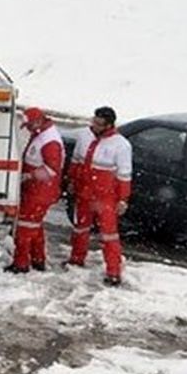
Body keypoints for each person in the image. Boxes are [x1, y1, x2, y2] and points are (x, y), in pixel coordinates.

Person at [66, 106, 133, 286]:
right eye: (93, 121)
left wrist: (122, 199)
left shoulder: (121, 145)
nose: (93, 125)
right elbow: (76, 161)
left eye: (98, 123)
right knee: (80, 227)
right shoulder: (84, 136)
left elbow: (124, 176)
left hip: (106, 198)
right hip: (84, 192)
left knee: (109, 235)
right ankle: (76, 258)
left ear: (109, 125)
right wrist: (72, 181)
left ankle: (113, 271)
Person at [5, 107, 64, 274]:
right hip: (38, 190)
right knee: (35, 227)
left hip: (40, 192)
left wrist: (28, 176)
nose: (28, 129)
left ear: (38, 122)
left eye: (29, 125)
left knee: (24, 227)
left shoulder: (49, 141)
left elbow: (52, 169)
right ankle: (38, 260)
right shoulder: (42, 135)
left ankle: (21, 264)